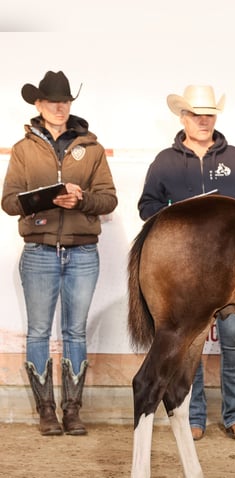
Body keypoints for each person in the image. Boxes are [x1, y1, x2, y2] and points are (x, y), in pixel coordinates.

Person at [138, 85, 235, 440]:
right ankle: (190, 415)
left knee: (234, 337)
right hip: (186, 270)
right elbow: (147, 206)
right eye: (197, 115)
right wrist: (178, 217)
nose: (204, 120)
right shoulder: (165, 161)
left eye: (209, 114)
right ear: (183, 118)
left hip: (231, 271)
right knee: (185, 340)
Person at [2, 70, 118, 436]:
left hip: (83, 251)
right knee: (38, 332)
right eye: (53, 101)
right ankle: (46, 411)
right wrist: (41, 199)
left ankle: (72, 411)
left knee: (75, 332)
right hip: (38, 249)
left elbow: (109, 199)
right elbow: (8, 202)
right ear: (39, 104)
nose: (59, 107)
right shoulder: (23, 150)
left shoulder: (93, 149)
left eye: (65, 101)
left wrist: (81, 199)